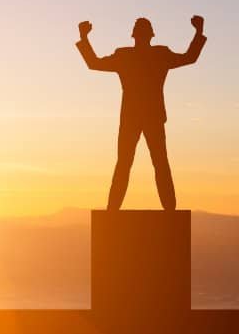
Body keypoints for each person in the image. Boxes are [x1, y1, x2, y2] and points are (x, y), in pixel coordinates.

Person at [76, 15, 206, 211]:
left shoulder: (133, 56)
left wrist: (85, 38)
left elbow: (94, 63)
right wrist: (198, 32)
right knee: (148, 164)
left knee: (139, 164)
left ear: (135, 35)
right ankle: (119, 211)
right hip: (140, 118)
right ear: (150, 35)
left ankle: (118, 211)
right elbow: (190, 57)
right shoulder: (146, 55)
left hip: (138, 118)